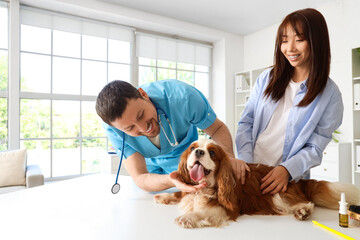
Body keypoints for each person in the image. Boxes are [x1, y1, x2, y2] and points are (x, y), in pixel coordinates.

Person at [235, 8, 343, 195]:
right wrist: (246, 163)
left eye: (299, 39)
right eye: (284, 40)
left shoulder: (330, 95)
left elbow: (315, 147)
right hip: (249, 174)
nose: (290, 48)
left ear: (317, 42)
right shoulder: (266, 78)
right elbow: (246, 122)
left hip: (286, 182)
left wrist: (287, 170)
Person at [96, 79, 249, 192]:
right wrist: (171, 180)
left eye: (141, 115)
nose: (144, 128)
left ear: (144, 94)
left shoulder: (184, 98)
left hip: (186, 162)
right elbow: (141, 176)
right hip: (151, 172)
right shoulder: (114, 130)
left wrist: (228, 157)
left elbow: (217, 129)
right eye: (130, 128)